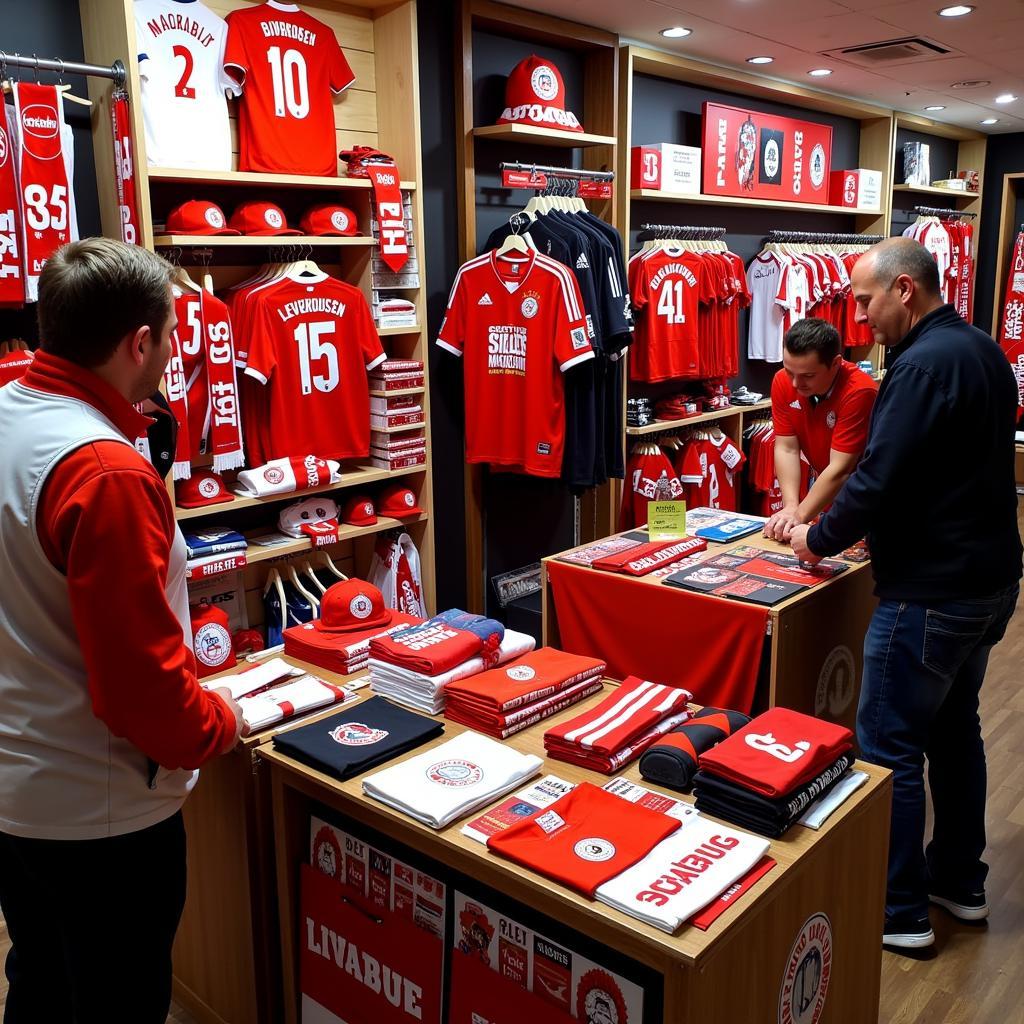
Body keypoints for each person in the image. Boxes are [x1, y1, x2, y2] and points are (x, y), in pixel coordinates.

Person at [0, 238, 246, 1022]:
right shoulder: (101, 470)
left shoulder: (10, 409)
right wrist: (221, 723)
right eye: (170, 335)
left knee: (39, 986)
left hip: (21, 790)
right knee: (115, 1004)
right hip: (98, 814)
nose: (174, 351)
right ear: (139, 342)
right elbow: (141, 692)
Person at [790, 237, 1022, 951]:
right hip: (987, 581)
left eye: (864, 300)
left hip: (932, 592)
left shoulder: (918, 366)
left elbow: (878, 478)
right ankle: (960, 881)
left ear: (904, 291)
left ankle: (899, 913)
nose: (859, 318)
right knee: (955, 737)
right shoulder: (983, 350)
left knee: (889, 748)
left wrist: (816, 538)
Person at [763, 316, 877, 542]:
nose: (795, 384)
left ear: (835, 363)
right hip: (824, 496)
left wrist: (799, 515)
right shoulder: (782, 382)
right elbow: (787, 448)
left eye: (808, 376)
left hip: (865, 500)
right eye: (789, 371)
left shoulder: (860, 391)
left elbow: (841, 469)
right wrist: (790, 507)